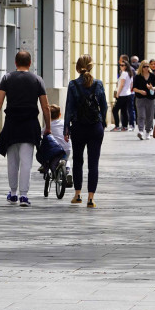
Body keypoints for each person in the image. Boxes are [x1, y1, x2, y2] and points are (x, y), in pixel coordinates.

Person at [0, 50, 51, 207]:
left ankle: (13, 193)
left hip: (12, 125)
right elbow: (45, 106)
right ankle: (24, 195)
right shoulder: (37, 80)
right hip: (30, 125)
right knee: (26, 161)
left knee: (12, 162)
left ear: (15, 63)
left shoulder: (7, 78)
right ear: (30, 63)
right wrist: (48, 127)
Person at [64, 54, 108, 208]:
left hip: (78, 127)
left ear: (78, 67)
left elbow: (68, 108)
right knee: (93, 163)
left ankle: (77, 195)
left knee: (78, 161)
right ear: (91, 66)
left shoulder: (73, 85)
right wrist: (102, 123)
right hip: (95, 127)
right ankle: (91, 198)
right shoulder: (98, 84)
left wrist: (66, 128)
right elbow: (104, 106)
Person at [132, 63, 155, 139]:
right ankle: (140, 131)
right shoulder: (137, 76)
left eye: (147, 66)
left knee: (150, 116)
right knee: (141, 115)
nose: (146, 68)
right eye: (144, 66)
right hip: (140, 98)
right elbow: (134, 88)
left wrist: (152, 88)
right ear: (141, 67)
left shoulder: (152, 75)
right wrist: (140, 91)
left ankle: (148, 131)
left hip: (151, 99)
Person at [46, 104, 71, 182]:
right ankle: (67, 169)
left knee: (52, 160)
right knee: (66, 159)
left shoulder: (48, 126)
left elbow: (42, 133)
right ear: (60, 114)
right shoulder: (64, 123)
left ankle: (53, 171)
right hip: (67, 148)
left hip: (55, 150)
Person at [111, 59, 133, 132]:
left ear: (126, 66)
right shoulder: (130, 73)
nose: (121, 66)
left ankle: (117, 126)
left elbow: (122, 84)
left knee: (115, 110)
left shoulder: (124, 73)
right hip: (128, 94)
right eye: (120, 65)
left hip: (122, 94)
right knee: (124, 111)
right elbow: (131, 85)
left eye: (123, 65)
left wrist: (117, 93)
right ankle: (124, 126)